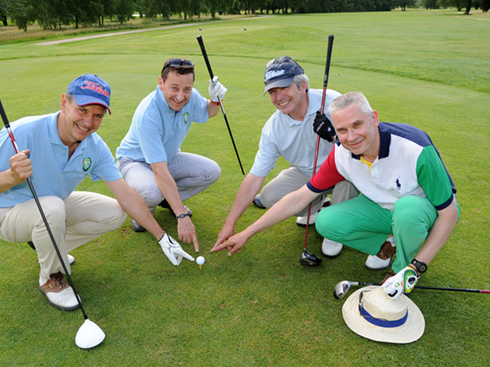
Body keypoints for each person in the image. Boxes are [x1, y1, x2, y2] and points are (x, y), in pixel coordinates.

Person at [0, 74, 193, 311]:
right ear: (64, 103)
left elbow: (127, 195)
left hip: (52, 207)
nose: (89, 122)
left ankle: (51, 248)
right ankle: (51, 279)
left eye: (97, 115)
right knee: (53, 209)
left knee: (116, 212)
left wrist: (162, 237)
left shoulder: (94, 146)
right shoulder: (23, 131)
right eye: (82, 110)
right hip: (7, 214)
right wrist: (11, 176)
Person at [213, 92, 459, 296]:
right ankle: (386, 246)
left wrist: (417, 266)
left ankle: (400, 269)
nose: (351, 137)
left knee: (408, 211)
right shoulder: (341, 154)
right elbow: (299, 198)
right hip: (383, 209)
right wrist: (247, 232)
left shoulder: (414, 147)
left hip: (423, 211)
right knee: (326, 221)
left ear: (374, 118)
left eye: (357, 125)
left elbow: (449, 214)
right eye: (342, 130)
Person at [213, 56, 357, 258]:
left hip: (342, 171)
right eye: (272, 91)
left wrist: (335, 136)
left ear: (303, 86)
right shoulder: (273, 128)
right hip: (308, 175)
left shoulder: (333, 102)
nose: (279, 97)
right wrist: (230, 224)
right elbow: (255, 177)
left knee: (347, 170)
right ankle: (317, 206)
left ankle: (335, 230)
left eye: (284, 88)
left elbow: (364, 146)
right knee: (269, 196)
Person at [116, 58, 226, 252]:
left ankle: (167, 201)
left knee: (211, 171)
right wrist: (181, 216)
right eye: (174, 88)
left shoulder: (190, 98)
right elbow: (159, 171)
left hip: (169, 157)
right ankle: (142, 212)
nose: (180, 96)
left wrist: (216, 100)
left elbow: (209, 112)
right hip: (135, 162)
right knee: (152, 191)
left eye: (187, 89)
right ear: (161, 83)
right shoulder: (148, 114)